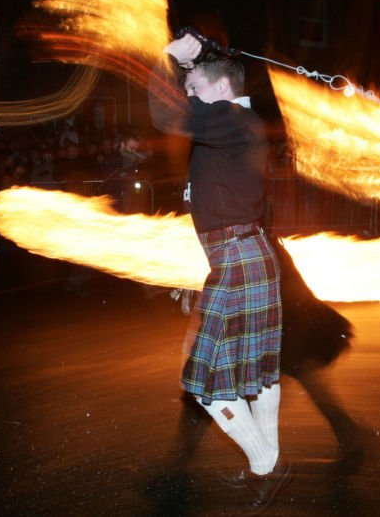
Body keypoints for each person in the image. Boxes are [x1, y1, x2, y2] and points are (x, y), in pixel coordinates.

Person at [149, 32, 291, 513]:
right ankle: (267, 468)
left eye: (195, 89)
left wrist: (168, 59)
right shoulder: (234, 126)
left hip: (237, 258)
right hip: (239, 255)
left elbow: (167, 114)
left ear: (223, 90)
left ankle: (265, 460)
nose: (189, 97)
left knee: (206, 383)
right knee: (256, 375)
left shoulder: (232, 119)